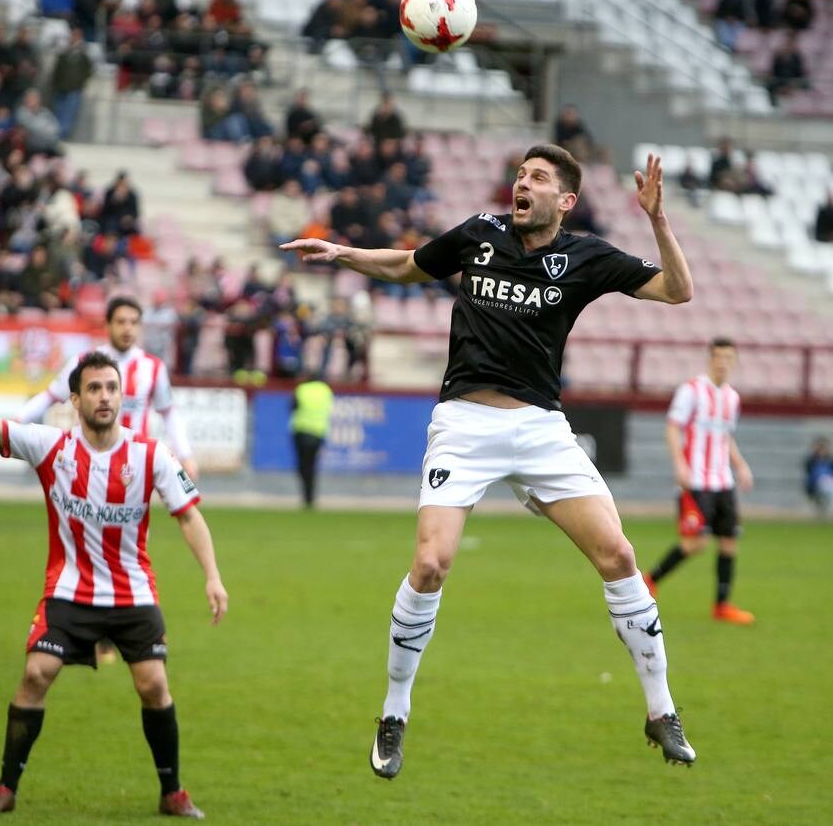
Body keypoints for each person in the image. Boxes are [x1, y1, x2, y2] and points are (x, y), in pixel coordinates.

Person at [281, 145, 698, 776]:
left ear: (566, 200)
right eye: (520, 175)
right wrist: (342, 253)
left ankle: (661, 709)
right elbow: (409, 267)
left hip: (539, 428)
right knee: (429, 564)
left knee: (619, 556)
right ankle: (394, 711)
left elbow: (677, 291)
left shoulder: (585, 256)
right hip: (464, 423)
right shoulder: (479, 235)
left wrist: (657, 221)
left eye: (537, 178)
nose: (521, 184)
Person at [0, 344, 226, 819]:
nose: (104, 397)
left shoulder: (151, 455)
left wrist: (213, 577)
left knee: (154, 686)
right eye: (93, 388)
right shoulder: (50, 445)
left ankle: (172, 793)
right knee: (35, 675)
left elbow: (189, 517)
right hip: (69, 590)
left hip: (132, 592)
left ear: (122, 396)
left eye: (112, 388)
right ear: (74, 400)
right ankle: (5, 788)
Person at [18, 297, 199, 481]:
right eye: (121, 322)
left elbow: (168, 414)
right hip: (89, 462)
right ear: (108, 324)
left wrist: (185, 455)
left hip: (134, 466)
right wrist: (18, 420)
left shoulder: (153, 367)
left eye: (133, 322)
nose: (127, 328)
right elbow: (51, 396)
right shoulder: (83, 363)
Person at [643, 339, 756, 624]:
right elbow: (673, 426)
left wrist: (741, 466)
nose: (723, 362)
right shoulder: (692, 390)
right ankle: (648, 580)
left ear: (734, 362)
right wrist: (679, 463)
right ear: (710, 359)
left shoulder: (732, 398)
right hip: (696, 479)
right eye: (718, 357)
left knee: (729, 541)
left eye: (728, 357)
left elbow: (725, 435)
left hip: (723, 481)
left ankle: (722, 605)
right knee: (695, 544)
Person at [290, 372, 334, 509]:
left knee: (303, 465)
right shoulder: (326, 391)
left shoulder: (302, 389)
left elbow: (292, 406)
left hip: (301, 430)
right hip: (318, 433)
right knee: (312, 465)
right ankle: (311, 497)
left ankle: (306, 496)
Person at [804, 437, 833, 516]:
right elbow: (809, 473)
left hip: (828, 484)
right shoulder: (811, 460)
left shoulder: (830, 460)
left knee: (828, 485)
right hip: (815, 484)